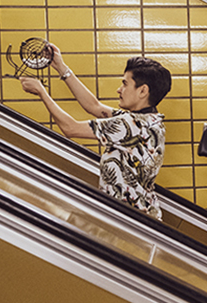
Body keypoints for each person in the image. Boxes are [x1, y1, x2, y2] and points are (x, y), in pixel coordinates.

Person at [19, 43, 171, 220]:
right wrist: (61, 67)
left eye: (125, 84)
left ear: (143, 91)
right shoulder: (150, 120)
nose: (119, 89)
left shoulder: (130, 125)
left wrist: (41, 92)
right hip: (140, 216)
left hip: (130, 220)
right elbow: (94, 106)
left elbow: (71, 128)